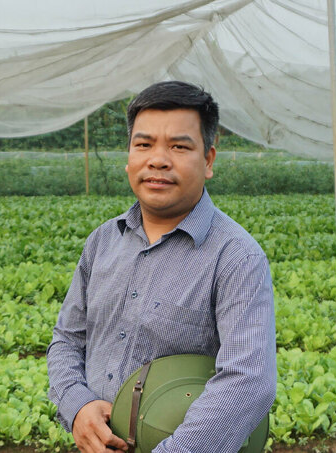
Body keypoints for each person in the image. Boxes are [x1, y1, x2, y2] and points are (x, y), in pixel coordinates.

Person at [47, 81, 277, 453]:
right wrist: (78, 405)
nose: (158, 159)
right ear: (129, 156)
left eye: (179, 146)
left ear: (208, 160)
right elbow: (67, 340)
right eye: (144, 144)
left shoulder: (236, 257)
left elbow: (248, 381)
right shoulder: (102, 241)